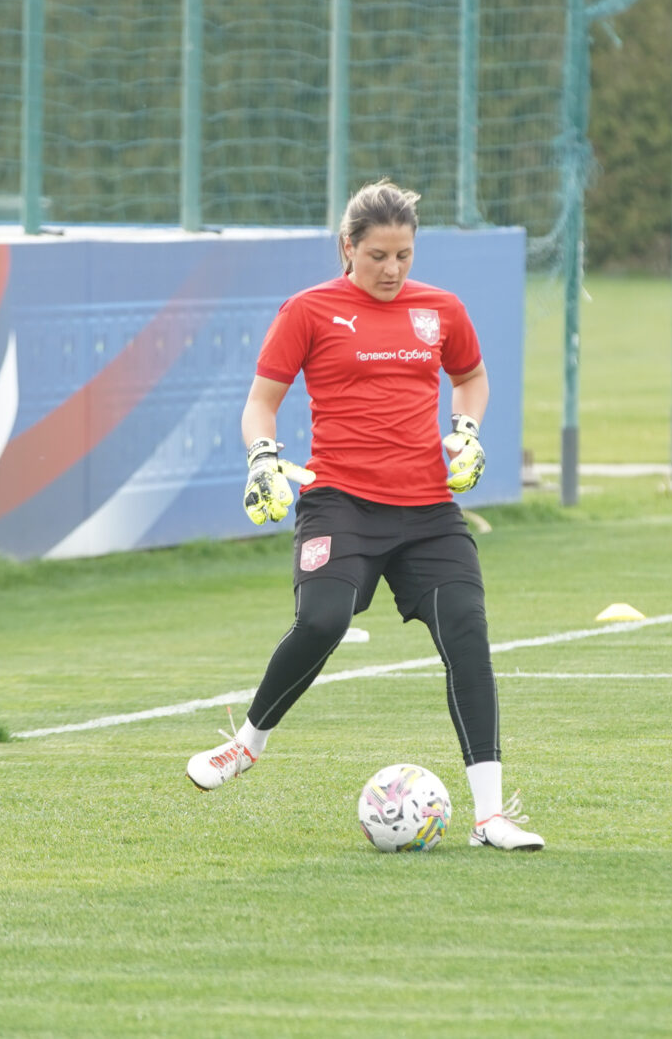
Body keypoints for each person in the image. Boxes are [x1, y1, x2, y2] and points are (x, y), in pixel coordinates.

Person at [184, 178, 544, 851]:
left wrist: (466, 430)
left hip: (429, 509)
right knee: (322, 618)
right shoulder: (309, 310)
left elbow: (472, 378)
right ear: (347, 247)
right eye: (378, 254)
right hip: (339, 501)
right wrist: (263, 456)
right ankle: (246, 743)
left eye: (404, 254)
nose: (392, 269)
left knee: (466, 631)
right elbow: (261, 400)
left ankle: (490, 814)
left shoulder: (441, 310)